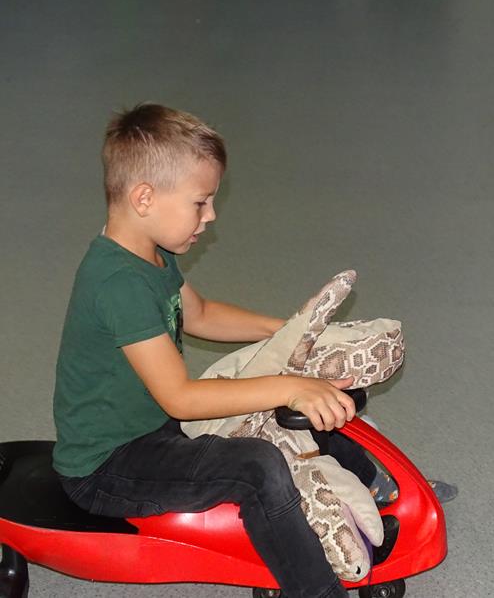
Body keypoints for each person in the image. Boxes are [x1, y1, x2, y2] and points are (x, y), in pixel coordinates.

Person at [52, 103, 364, 598]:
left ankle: (374, 491)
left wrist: (289, 331)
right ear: (144, 198)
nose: (211, 215)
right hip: (108, 467)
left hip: (152, 428)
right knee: (258, 466)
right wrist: (290, 386)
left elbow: (199, 314)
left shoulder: (150, 252)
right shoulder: (118, 284)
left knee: (282, 411)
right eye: (201, 202)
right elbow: (180, 398)